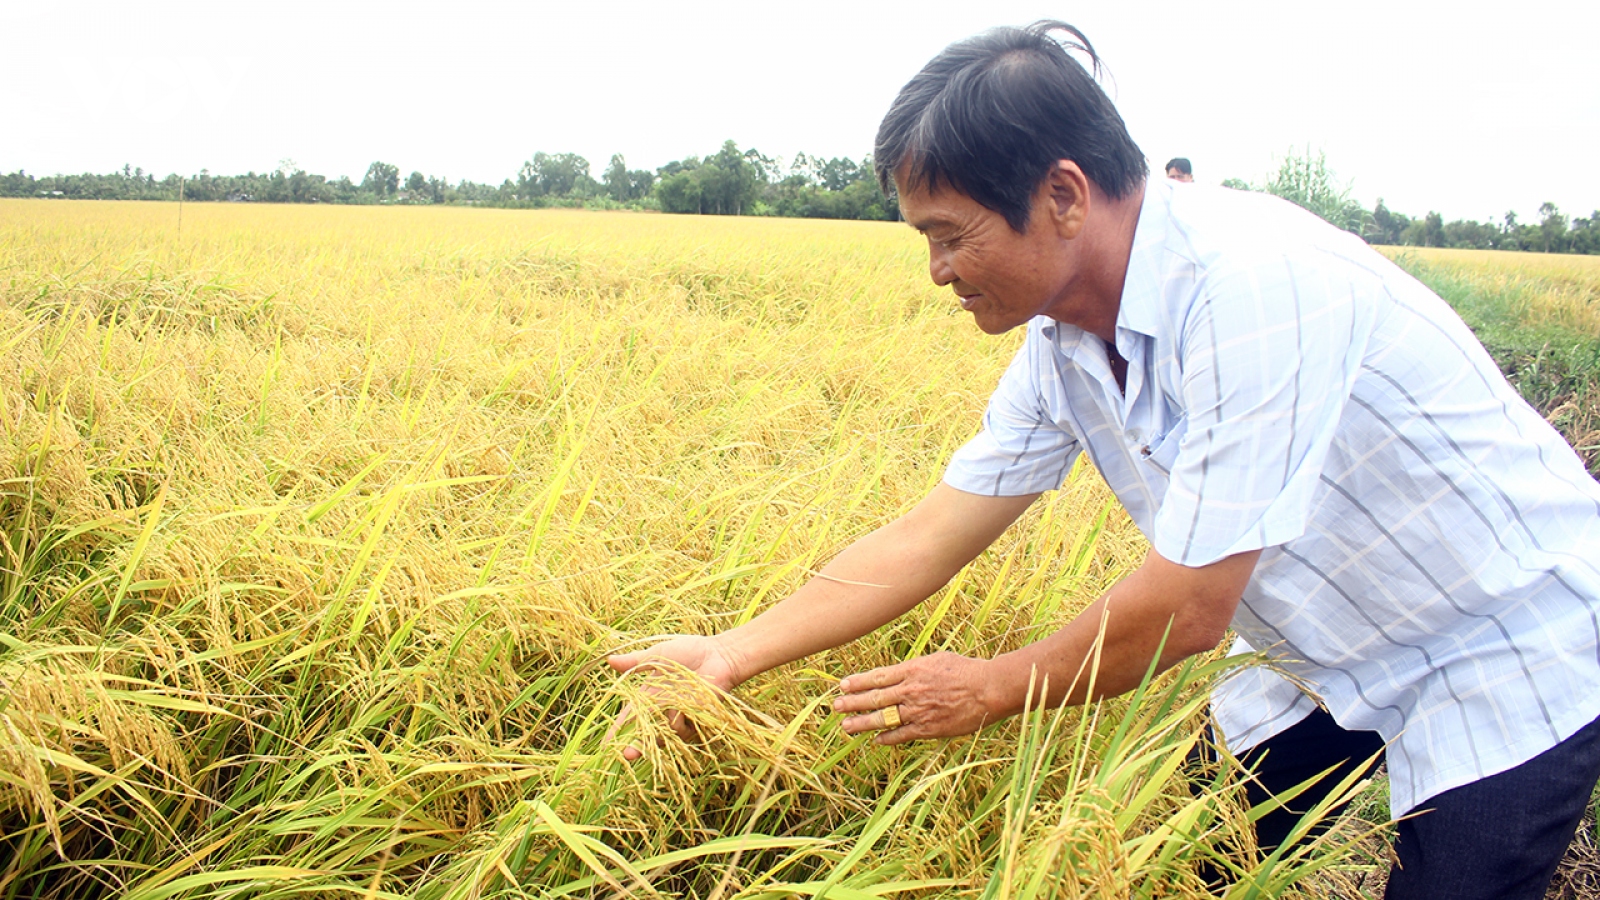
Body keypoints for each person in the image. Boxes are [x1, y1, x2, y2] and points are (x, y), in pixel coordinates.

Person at [608, 21, 1600, 899]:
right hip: (1322, 648)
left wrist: (992, 687)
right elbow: (934, 530)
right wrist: (731, 653)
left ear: (1063, 195)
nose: (937, 272)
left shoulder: (1252, 287)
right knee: (1187, 863)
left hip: (1500, 640)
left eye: (951, 236)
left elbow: (1187, 610)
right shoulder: (1064, 343)